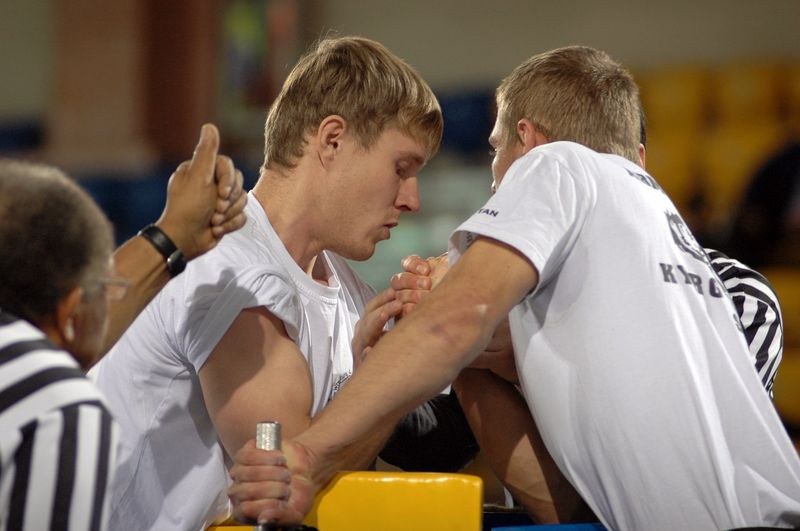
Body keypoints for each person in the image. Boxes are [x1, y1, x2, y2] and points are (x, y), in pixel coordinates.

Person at [229, 46, 800, 530]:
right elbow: (565, 507)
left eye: (494, 152)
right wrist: (480, 358)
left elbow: (450, 325)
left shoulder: (557, 166)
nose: (494, 185)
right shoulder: (614, 286)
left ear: (526, 145)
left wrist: (306, 457)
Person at [88, 36, 445, 530]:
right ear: (332, 140)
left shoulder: (348, 292)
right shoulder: (229, 270)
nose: (412, 200)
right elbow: (296, 481)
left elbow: (364, 466)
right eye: (401, 168)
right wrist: (395, 368)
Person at [0, 123, 247, 530]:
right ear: (72, 312)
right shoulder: (58, 409)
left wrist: (174, 234)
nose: (113, 294)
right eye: (105, 288)